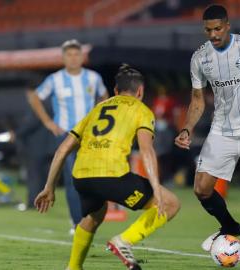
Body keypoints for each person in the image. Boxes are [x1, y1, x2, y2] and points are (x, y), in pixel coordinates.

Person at [34, 64, 180, 270]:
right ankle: (124, 241)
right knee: (172, 203)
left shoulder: (96, 110)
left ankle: (73, 267)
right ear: (140, 91)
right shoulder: (141, 110)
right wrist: (156, 188)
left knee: (94, 216)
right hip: (112, 176)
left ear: (115, 91)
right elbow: (146, 150)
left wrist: (48, 187)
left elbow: (62, 149)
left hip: (82, 178)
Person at [174, 5, 240, 267]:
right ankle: (230, 225)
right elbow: (198, 100)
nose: (213, 34)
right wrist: (187, 128)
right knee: (201, 189)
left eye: (218, 29)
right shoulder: (200, 58)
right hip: (222, 128)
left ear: (228, 25)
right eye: (208, 30)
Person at [28, 39, 108, 228]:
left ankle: (90, 219)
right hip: (66, 135)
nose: (73, 58)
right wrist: (48, 122)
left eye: (76, 54)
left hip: (90, 136)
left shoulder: (93, 78)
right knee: (73, 179)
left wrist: (99, 119)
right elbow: (35, 97)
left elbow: (104, 96)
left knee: (93, 178)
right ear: (63, 58)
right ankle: (77, 222)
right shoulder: (55, 79)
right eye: (69, 55)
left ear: (82, 57)